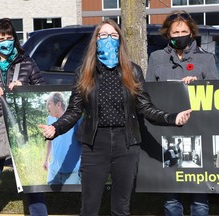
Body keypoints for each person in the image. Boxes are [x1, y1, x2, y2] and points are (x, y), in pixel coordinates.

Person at [38, 19, 191, 216]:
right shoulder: (83, 73)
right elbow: (74, 110)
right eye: (103, 36)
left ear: (120, 40)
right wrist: (56, 128)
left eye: (113, 35)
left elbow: (146, 108)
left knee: (121, 208)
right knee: (89, 207)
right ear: (96, 41)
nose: (108, 39)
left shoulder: (132, 71)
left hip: (126, 144)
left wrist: (172, 118)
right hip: (94, 145)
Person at [0, 18, 48, 216]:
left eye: (10, 37)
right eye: (1, 38)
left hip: (23, 130)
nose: (6, 41)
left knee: (32, 185)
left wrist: (25, 90)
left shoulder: (27, 63)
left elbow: (44, 94)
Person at [146, 10, 219, 216]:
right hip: (168, 133)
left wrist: (199, 85)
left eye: (184, 31)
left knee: (200, 198)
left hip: (199, 132)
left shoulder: (206, 59)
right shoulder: (156, 58)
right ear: (168, 34)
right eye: (175, 32)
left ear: (192, 32)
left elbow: (214, 96)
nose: (180, 35)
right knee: (171, 197)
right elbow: (149, 94)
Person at [43, 92, 81, 184]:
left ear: (58, 104)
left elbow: (84, 142)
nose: (46, 106)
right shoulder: (50, 119)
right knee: (50, 197)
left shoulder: (76, 120)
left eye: (49, 104)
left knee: (70, 198)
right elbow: (50, 141)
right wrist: (46, 160)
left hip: (72, 172)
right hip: (53, 171)